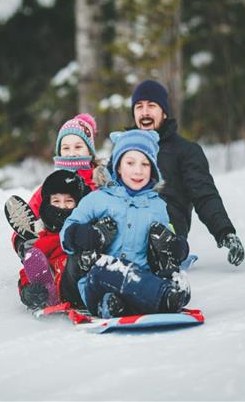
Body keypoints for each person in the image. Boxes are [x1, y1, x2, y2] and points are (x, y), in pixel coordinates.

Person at [60, 130, 191, 318]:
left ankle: (117, 307)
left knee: (167, 275)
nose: (138, 170)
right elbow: (67, 230)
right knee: (107, 268)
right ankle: (164, 297)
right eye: (130, 163)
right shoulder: (98, 199)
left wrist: (178, 247)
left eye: (145, 164)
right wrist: (81, 234)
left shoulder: (158, 206)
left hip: (140, 284)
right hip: (98, 279)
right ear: (118, 167)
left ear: (152, 169)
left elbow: (167, 237)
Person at [130, 79, 245, 266]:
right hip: (128, 223)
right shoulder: (124, 151)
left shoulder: (185, 151)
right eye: (139, 107)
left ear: (164, 112)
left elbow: (204, 194)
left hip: (167, 227)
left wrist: (225, 232)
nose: (144, 112)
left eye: (151, 106)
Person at [12, 113, 99, 258]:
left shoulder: (97, 183)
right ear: (59, 151)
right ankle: (38, 266)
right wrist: (21, 242)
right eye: (66, 148)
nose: (71, 154)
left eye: (78, 147)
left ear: (89, 150)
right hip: (52, 250)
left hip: (84, 249)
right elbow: (28, 215)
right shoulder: (51, 185)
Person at [18, 169, 91, 310]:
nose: (62, 206)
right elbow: (29, 268)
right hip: (62, 282)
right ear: (47, 204)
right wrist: (27, 290)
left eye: (69, 201)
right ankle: (48, 293)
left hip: (86, 278)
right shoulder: (46, 237)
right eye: (56, 201)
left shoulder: (84, 229)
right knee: (35, 257)